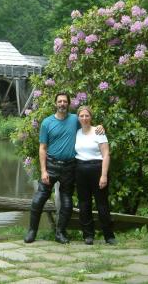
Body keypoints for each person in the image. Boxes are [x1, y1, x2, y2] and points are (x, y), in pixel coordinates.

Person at [25, 92, 103, 244]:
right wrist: (43, 170)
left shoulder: (75, 119)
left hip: (69, 167)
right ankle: (32, 231)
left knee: (67, 201)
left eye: (65, 101)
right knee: (39, 198)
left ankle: (60, 233)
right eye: (59, 101)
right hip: (51, 165)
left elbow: (88, 124)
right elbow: (42, 148)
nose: (62, 104)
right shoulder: (47, 123)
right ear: (55, 103)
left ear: (68, 104)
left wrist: (100, 127)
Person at [75, 106, 116, 245]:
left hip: (97, 169)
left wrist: (103, 175)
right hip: (80, 169)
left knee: (102, 204)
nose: (84, 118)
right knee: (84, 204)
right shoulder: (77, 132)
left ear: (91, 117)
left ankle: (109, 236)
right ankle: (88, 235)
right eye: (82, 116)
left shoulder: (98, 132)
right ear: (78, 118)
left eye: (87, 116)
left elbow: (106, 155)